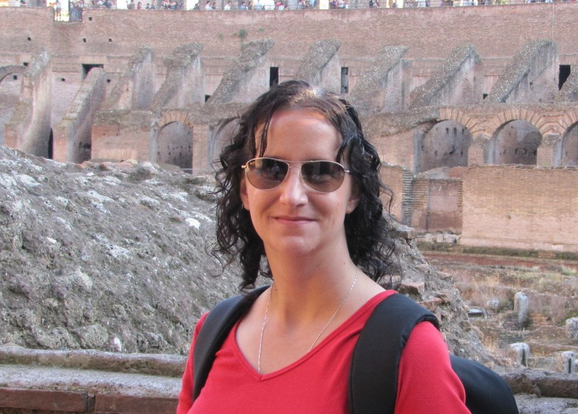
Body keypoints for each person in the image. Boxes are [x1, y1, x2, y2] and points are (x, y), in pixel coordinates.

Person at [177, 81, 469, 414]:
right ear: (245, 190)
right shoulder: (214, 332)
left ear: (354, 193)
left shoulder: (409, 349)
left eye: (320, 172)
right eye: (270, 169)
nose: (292, 196)